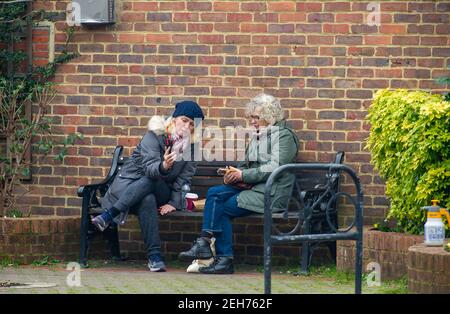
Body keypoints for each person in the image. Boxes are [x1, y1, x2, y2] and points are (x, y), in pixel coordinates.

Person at [178, 94, 299, 274]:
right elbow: (245, 165)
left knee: (222, 208)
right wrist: (233, 174)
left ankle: (222, 257)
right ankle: (206, 245)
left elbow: (274, 167)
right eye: (251, 118)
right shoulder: (259, 137)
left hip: (271, 194)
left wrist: (243, 175)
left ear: (270, 116)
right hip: (253, 188)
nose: (253, 122)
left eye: (257, 118)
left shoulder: (285, 136)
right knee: (214, 192)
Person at [92, 100, 205, 272]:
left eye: (192, 124)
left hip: (161, 190)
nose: (186, 126)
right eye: (184, 120)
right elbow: (150, 170)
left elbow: (183, 180)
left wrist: (173, 203)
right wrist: (164, 166)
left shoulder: (192, 148)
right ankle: (155, 257)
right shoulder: (154, 136)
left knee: (152, 185)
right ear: (174, 119)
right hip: (128, 188)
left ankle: (109, 215)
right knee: (147, 198)